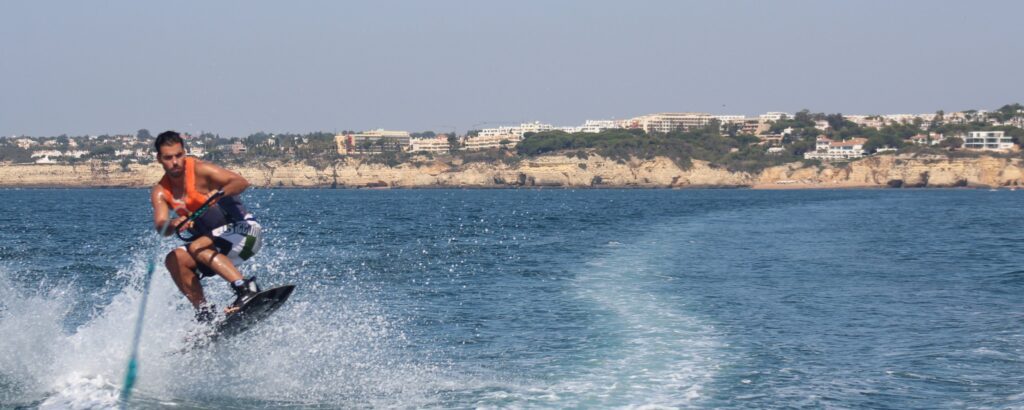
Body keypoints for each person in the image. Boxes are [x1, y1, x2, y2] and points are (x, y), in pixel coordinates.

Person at [149, 131, 263, 322]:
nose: (175, 162)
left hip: (246, 234)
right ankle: (205, 313)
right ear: (159, 159)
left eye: (179, 155)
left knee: (197, 247)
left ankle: (246, 288)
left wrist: (218, 195)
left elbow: (241, 182)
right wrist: (174, 223)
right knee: (174, 259)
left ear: (184, 153)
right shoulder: (161, 192)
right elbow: (161, 227)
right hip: (216, 248)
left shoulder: (201, 170)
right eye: (168, 158)